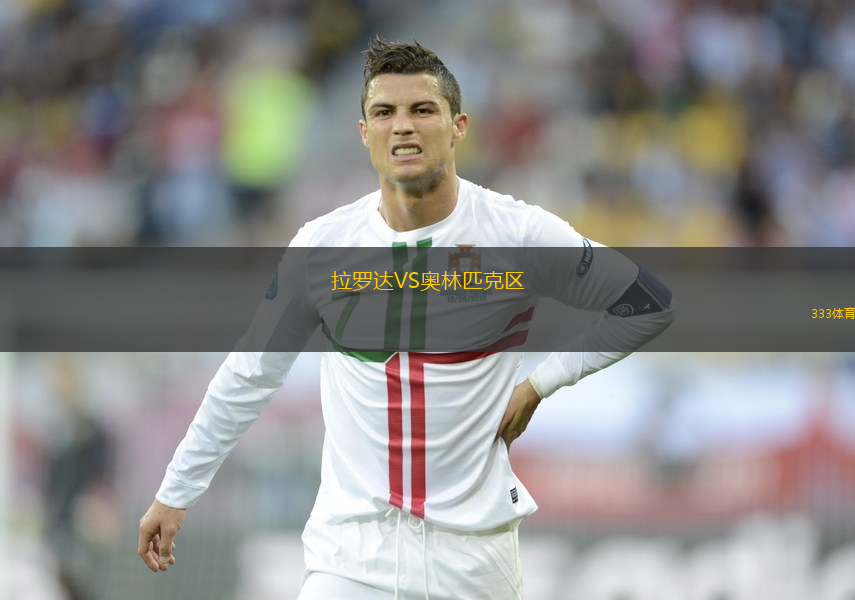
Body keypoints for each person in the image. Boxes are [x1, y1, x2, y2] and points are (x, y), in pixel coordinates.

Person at [138, 37, 675, 599]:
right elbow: (250, 373)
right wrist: (176, 491)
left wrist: (542, 383)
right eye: (384, 112)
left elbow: (649, 303)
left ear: (458, 125)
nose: (402, 127)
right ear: (363, 132)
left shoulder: (517, 234)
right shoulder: (323, 246)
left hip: (473, 561)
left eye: (422, 110)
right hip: (350, 560)